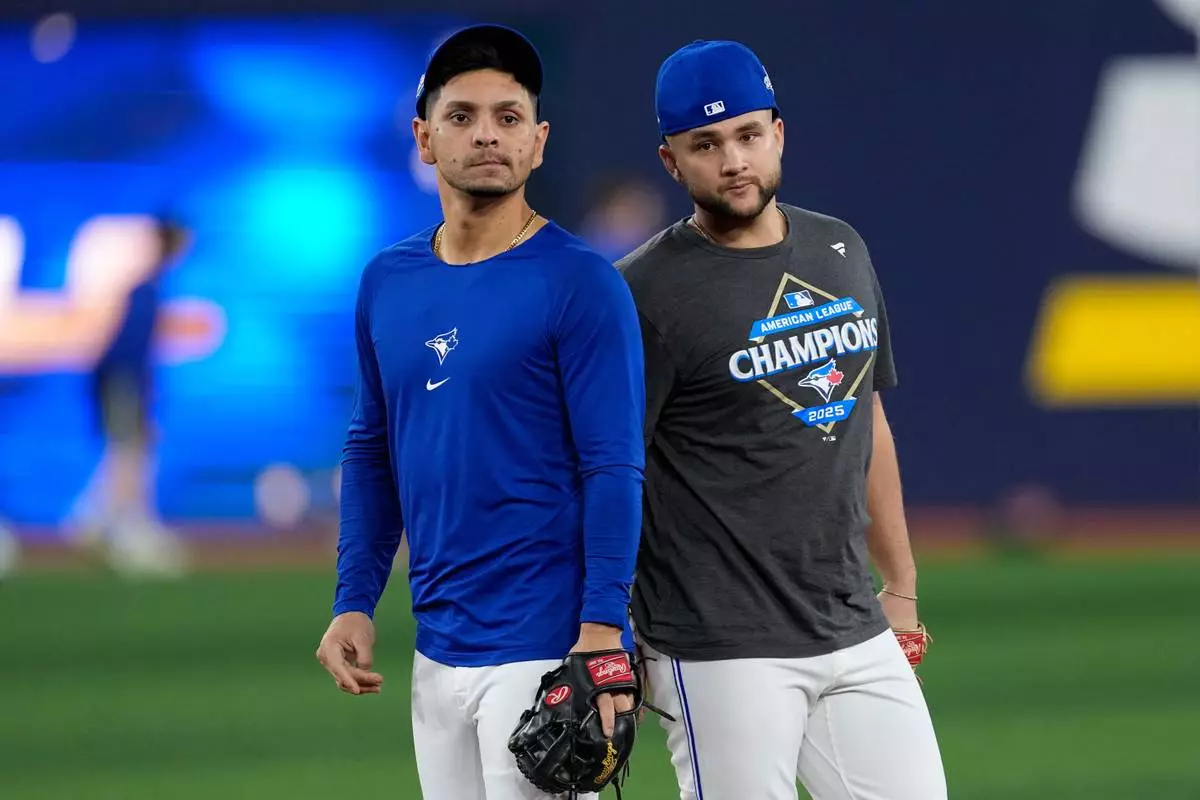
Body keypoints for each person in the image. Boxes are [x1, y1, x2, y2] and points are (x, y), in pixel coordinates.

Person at [312, 24, 646, 800]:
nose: (487, 134)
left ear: (539, 140)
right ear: (425, 138)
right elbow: (370, 451)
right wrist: (354, 601)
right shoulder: (388, 281)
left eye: (508, 116)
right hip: (439, 652)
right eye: (462, 116)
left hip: (543, 651)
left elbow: (613, 465)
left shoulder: (580, 283)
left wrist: (602, 632)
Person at [616, 40, 948, 800]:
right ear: (672, 162)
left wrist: (900, 584)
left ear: (779, 134)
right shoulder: (640, 295)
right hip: (717, 647)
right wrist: (605, 626)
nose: (733, 159)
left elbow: (867, 420)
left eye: (747, 134)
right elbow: (606, 474)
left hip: (849, 622)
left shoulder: (840, 250)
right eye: (706, 144)